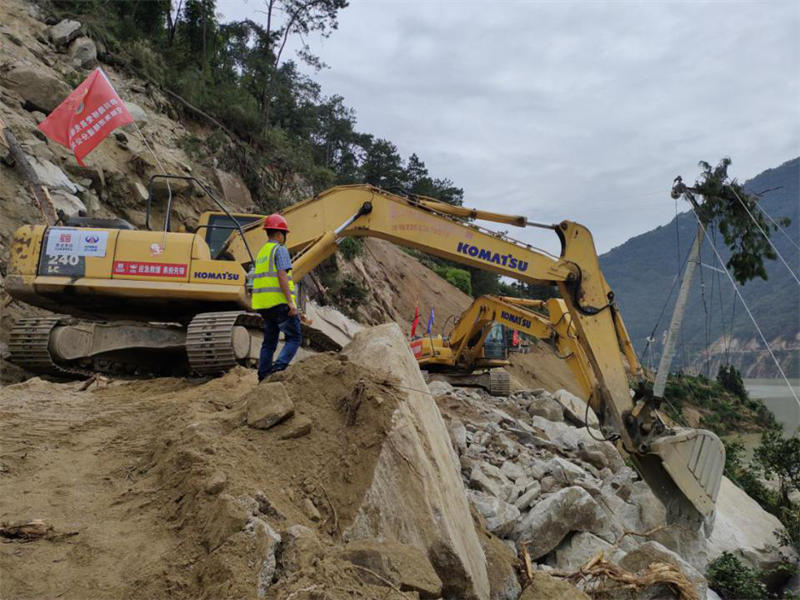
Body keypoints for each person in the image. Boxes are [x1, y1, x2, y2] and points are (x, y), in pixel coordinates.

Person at [252, 214, 303, 382]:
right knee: (295, 337)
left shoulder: (262, 252)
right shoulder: (280, 249)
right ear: (280, 234)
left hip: (264, 305)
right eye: (284, 234)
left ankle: (263, 375)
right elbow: (282, 275)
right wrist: (290, 302)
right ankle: (278, 370)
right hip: (279, 303)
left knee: (269, 342)